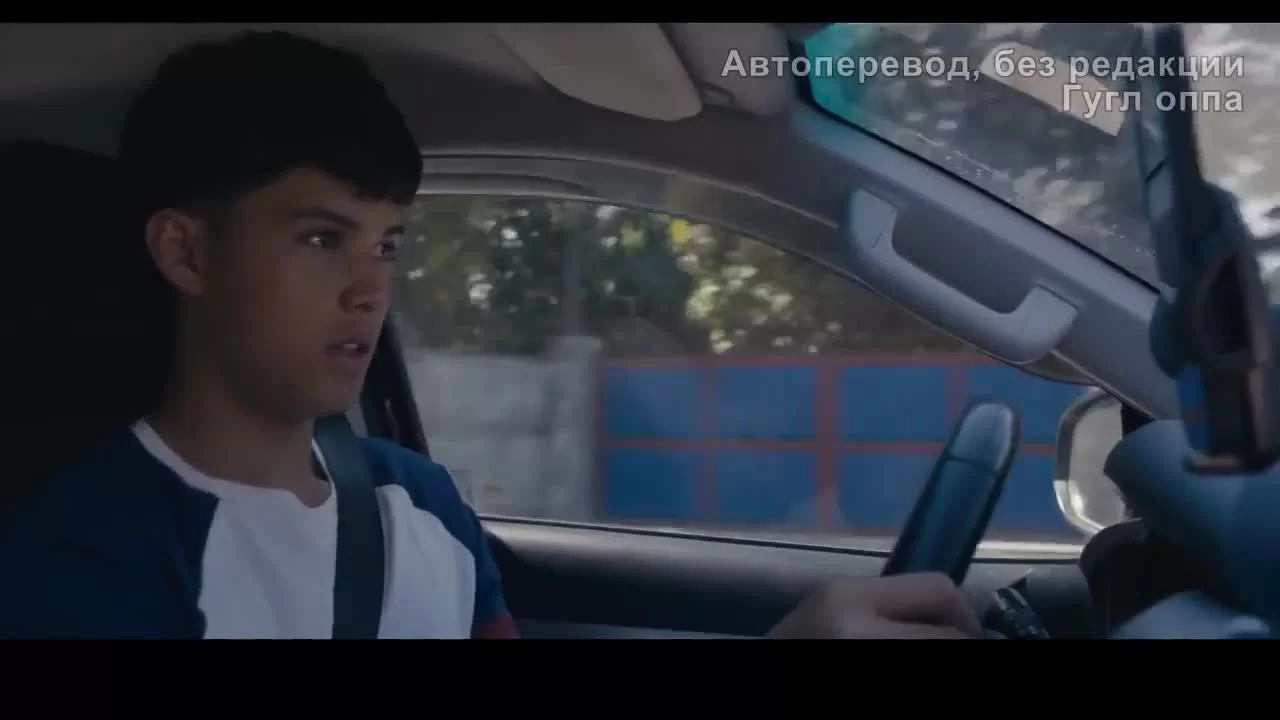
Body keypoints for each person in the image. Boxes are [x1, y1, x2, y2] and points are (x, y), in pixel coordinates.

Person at [0, 31, 982, 640]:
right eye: (321, 239)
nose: (368, 290)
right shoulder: (86, 552)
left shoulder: (417, 499)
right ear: (186, 252)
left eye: (386, 244)